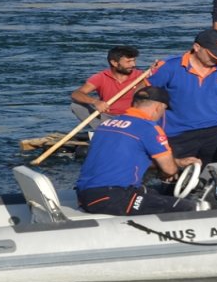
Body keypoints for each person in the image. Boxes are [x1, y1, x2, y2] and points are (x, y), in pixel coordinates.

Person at [75, 86, 202, 215]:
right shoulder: (149, 128)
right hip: (112, 196)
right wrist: (175, 167)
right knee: (189, 207)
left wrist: (178, 162)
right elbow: (169, 170)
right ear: (159, 107)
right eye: (164, 110)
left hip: (85, 195)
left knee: (152, 193)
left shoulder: (107, 124)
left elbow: (127, 159)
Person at [147, 28, 217, 165]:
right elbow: (143, 95)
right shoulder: (170, 67)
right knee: (174, 178)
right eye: (212, 54)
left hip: (216, 130)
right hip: (177, 133)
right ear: (197, 47)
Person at [69, 45, 143, 129]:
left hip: (132, 118)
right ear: (114, 63)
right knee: (76, 106)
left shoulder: (141, 76)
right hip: (108, 118)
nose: (133, 64)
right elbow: (76, 94)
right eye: (128, 61)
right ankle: (102, 130)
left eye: (134, 60)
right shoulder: (101, 77)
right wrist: (95, 102)